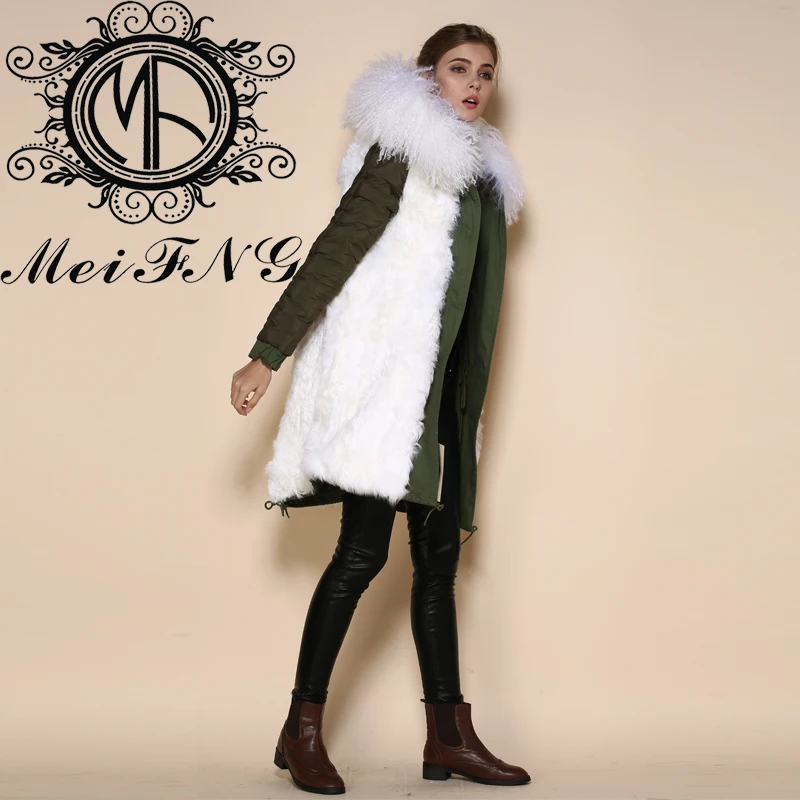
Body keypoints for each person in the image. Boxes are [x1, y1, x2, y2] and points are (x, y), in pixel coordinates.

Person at [230, 24, 528, 794]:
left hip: (445, 401)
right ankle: (301, 729)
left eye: (485, 72)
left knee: (437, 566)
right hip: (390, 399)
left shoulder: (481, 177)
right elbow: (336, 249)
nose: (474, 83)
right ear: (428, 77)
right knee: (361, 557)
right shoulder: (402, 155)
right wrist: (267, 352)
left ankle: (448, 737)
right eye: (458, 68)